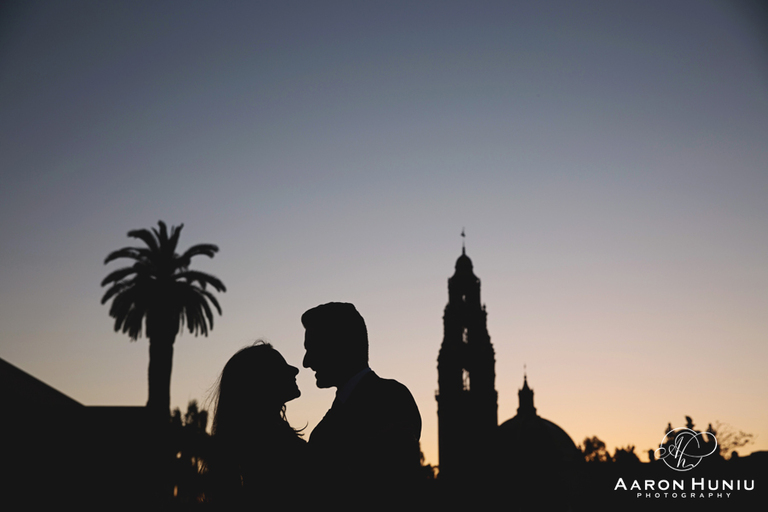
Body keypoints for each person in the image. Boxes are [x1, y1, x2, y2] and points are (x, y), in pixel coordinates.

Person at [301, 302, 422, 501]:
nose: (306, 362)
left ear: (339, 347)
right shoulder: (337, 416)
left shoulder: (390, 399)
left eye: (313, 348)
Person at [205, 342, 305, 509]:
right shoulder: (270, 446)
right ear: (261, 382)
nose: (295, 370)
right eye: (281, 367)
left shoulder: (257, 441)